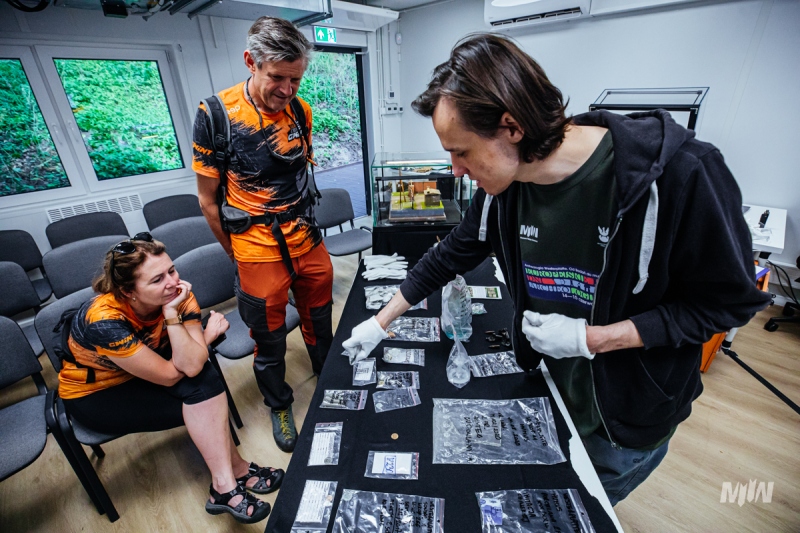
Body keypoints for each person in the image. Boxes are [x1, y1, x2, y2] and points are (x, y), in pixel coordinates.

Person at [342, 34, 771, 505]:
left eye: (462, 151)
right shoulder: (502, 189)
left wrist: (595, 339)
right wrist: (381, 322)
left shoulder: (684, 175)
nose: (456, 170)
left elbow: (726, 305)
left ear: (511, 126)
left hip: (622, 416)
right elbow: (452, 253)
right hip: (547, 387)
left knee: (584, 508)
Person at [59, 234, 283, 524]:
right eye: (156, 280)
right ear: (129, 292)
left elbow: (190, 364)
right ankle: (230, 480)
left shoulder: (177, 295)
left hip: (146, 373)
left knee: (204, 381)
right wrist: (205, 337)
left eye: (172, 270)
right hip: (98, 394)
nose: (172, 282)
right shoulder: (104, 320)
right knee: (204, 397)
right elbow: (169, 375)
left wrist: (170, 313)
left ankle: (227, 482)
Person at [193, 16, 333, 452]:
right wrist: (237, 254)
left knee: (320, 318)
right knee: (268, 338)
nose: (288, 89)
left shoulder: (300, 109)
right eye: (278, 77)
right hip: (255, 246)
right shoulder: (215, 115)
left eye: (296, 79)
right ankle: (279, 403)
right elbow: (207, 200)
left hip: (306, 238)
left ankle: (330, 381)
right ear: (251, 62)